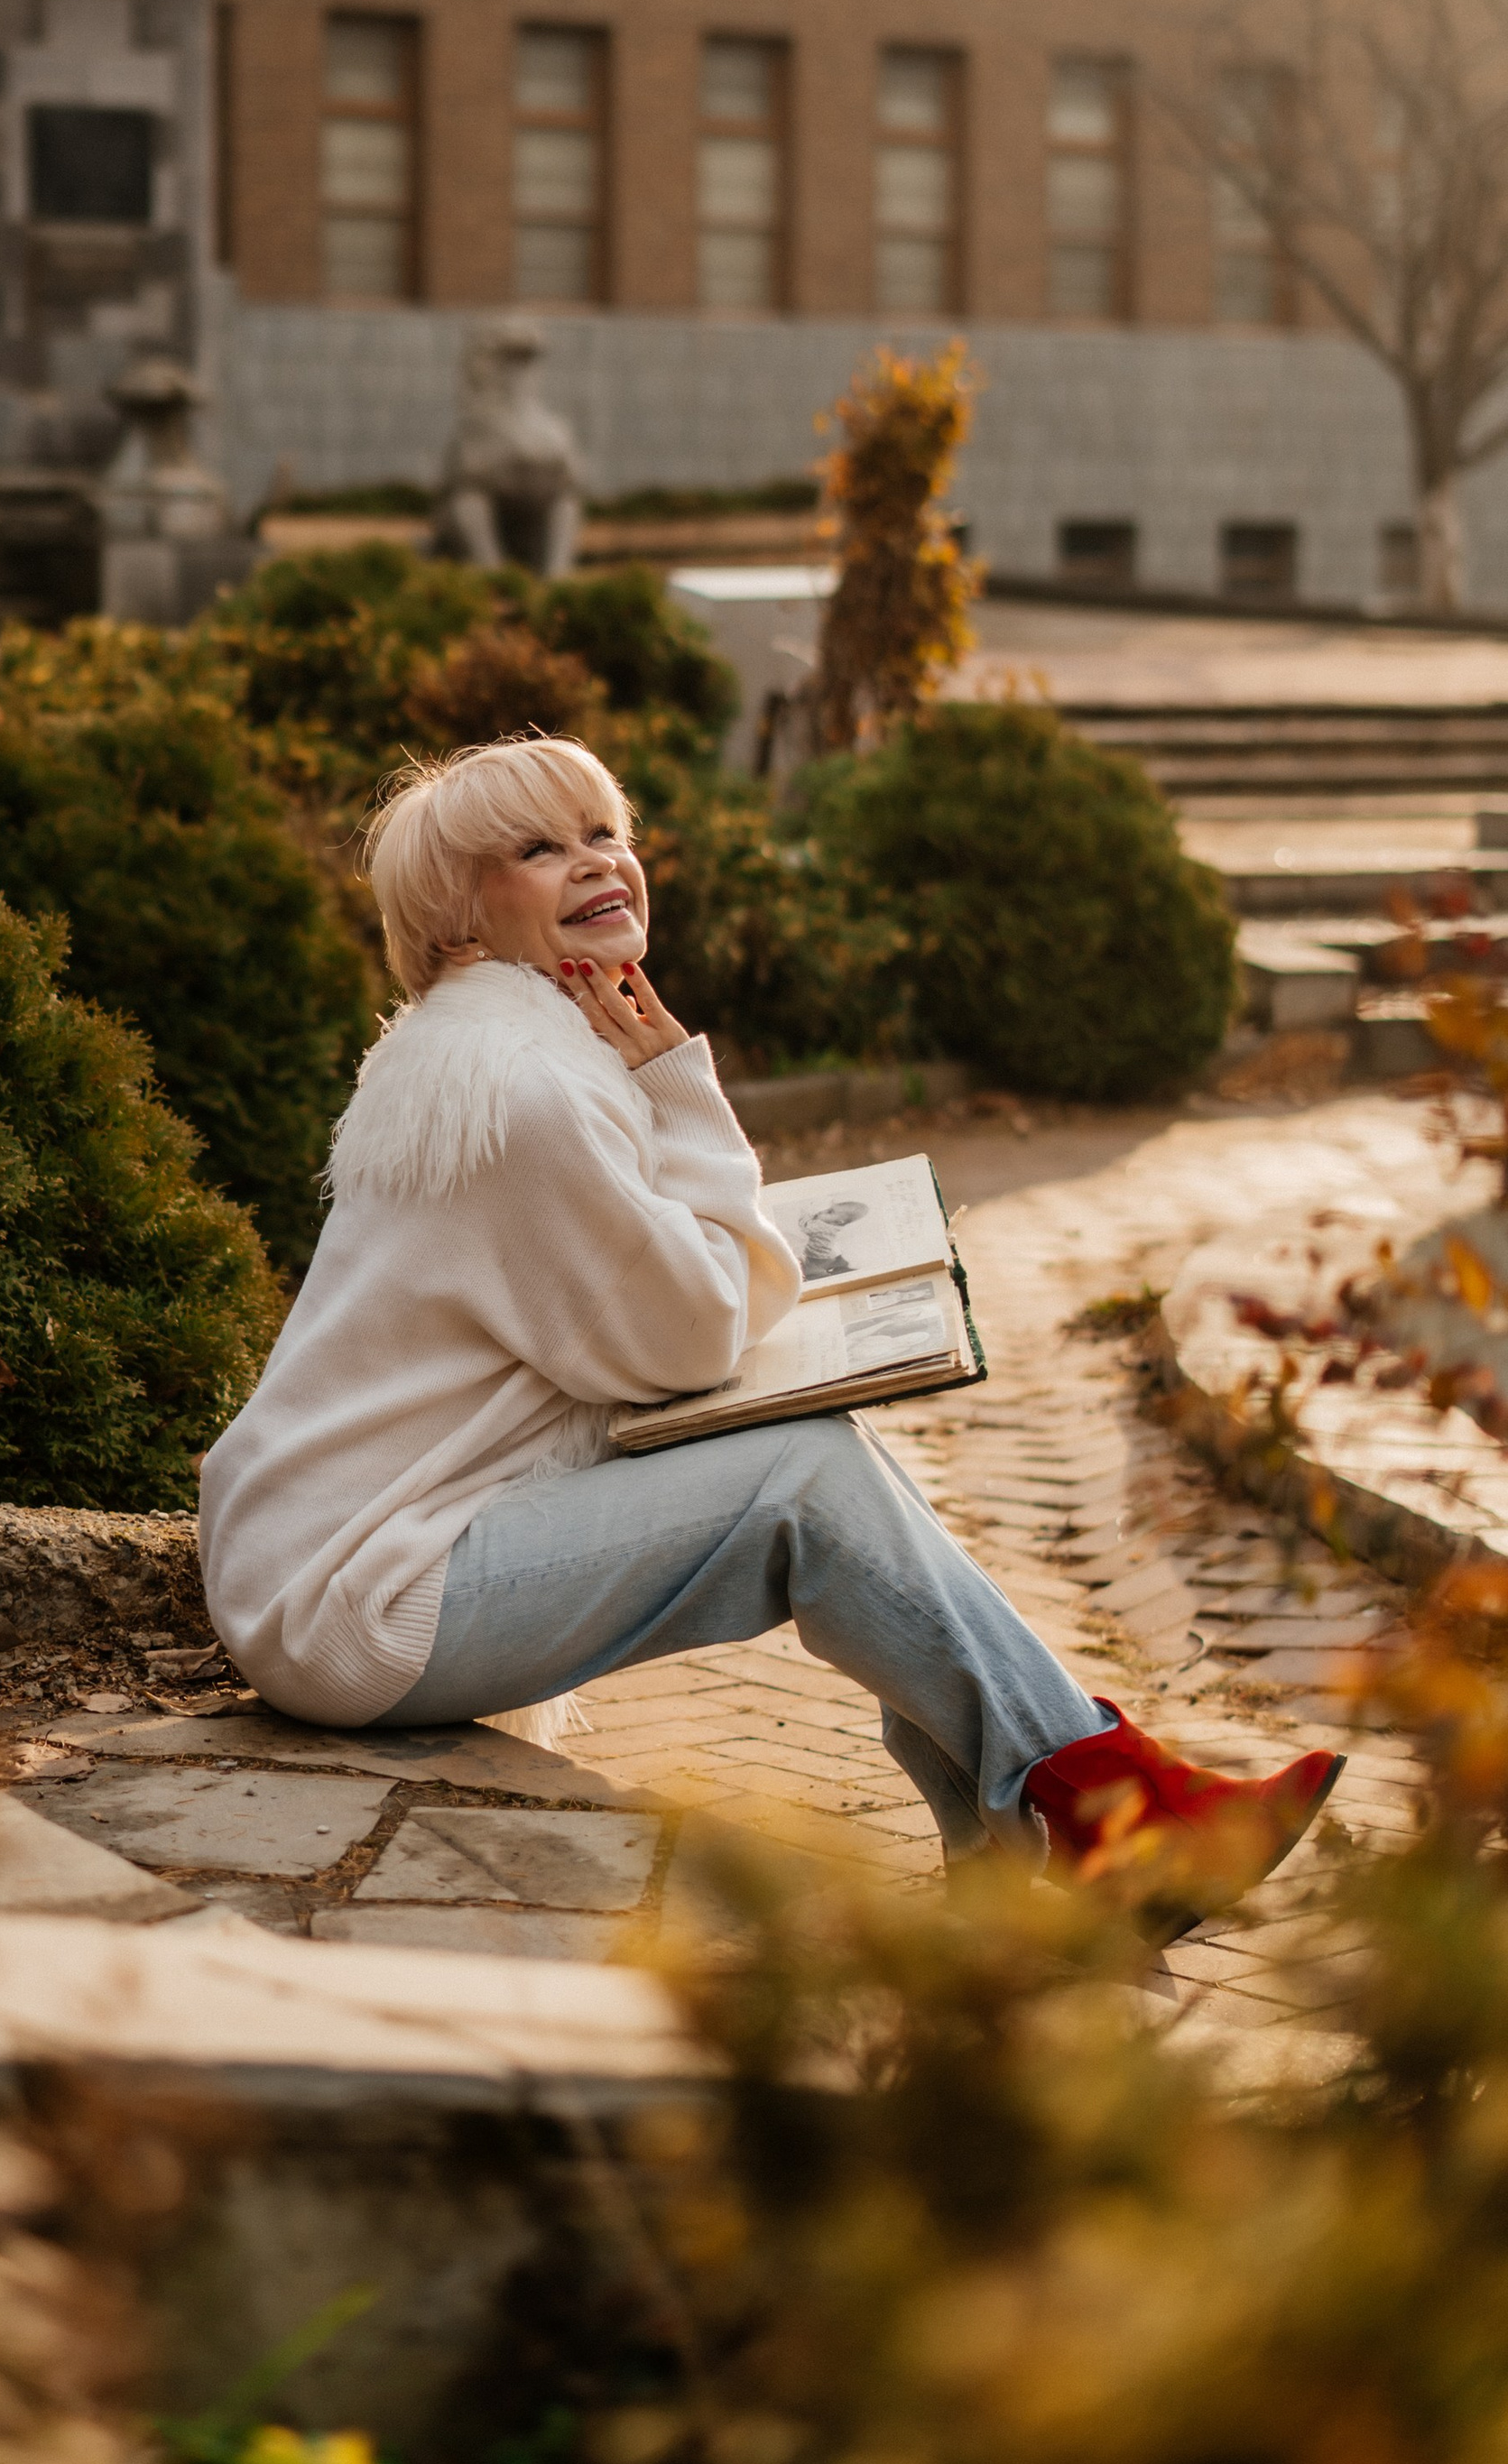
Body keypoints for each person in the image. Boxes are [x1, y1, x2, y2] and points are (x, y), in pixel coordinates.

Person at [199, 734, 1339, 1925]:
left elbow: (654, 1310)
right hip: (358, 1600)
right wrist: (683, 1090)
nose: (596, 863)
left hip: (339, 1562)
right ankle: (1102, 1813)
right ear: (460, 926)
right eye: (538, 849)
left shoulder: (492, 1053)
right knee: (805, 1482)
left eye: (605, 832)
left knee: (830, 1474)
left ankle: (1048, 1838)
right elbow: (690, 1339)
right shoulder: (521, 1090)